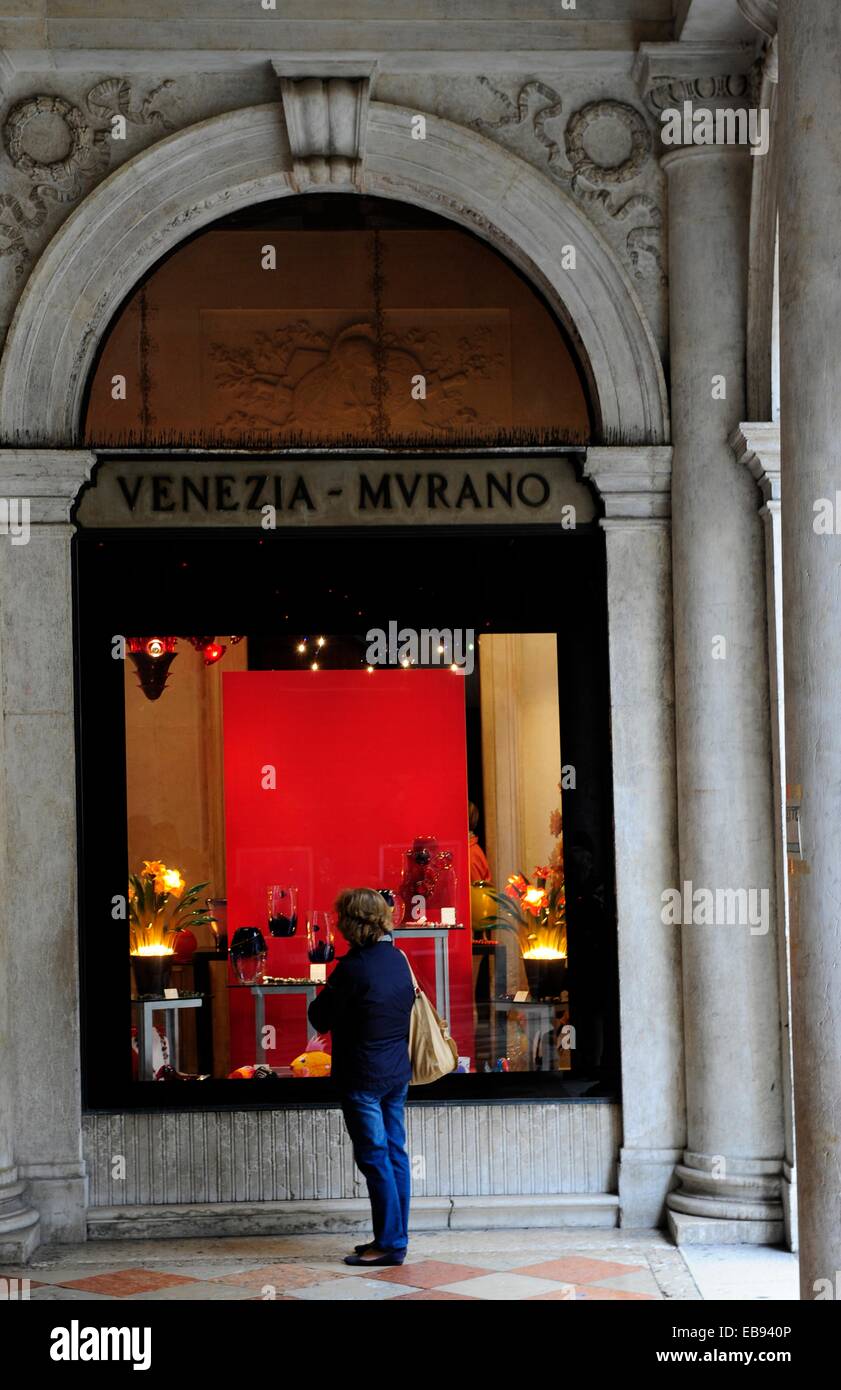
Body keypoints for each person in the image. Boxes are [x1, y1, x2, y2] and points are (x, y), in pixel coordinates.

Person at [307, 886, 416, 1267]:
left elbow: (320, 1018)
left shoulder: (352, 968)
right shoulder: (398, 959)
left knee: (375, 1158)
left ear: (351, 924)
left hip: (363, 1078)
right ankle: (394, 1238)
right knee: (395, 1154)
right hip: (396, 1073)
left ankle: (389, 1243)